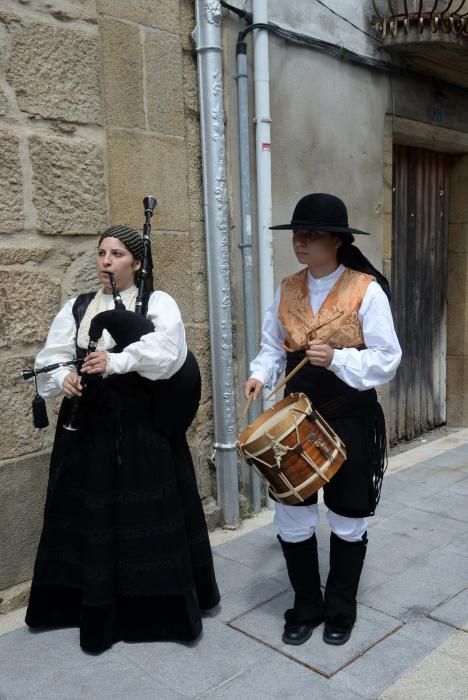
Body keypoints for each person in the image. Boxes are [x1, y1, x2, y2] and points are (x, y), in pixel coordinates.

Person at [26, 224, 220, 653]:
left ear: (135, 261)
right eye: (101, 253)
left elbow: (169, 354)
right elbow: (52, 355)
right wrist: (66, 377)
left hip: (141, 426)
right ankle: (88, 609)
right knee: (89, 513)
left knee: (146, 513)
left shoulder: (157, 303)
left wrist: (116, 361)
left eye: (116, 254)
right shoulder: (77, 307)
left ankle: (154, 611)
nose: (106, 261)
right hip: (86, 428)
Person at [245, 194, 401, 647]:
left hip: (350, 416)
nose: (301, 241)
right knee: (293, 515)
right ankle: (306, 605)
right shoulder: (288, 287)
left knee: (348, 517)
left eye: (311, 234)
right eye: (297, 233)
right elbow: (274, 346)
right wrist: (259, 375)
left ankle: (340, 608)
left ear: (336, 241)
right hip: (298, 418)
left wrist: (337, 359)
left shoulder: (365, 289)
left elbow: (388, 360)